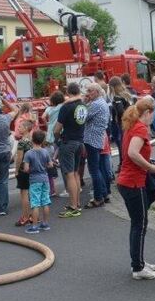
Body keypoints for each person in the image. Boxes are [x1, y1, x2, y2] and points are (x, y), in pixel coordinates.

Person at [116, 96, 155, 280]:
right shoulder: (141, 128)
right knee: (140, 225)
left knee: (137, 224)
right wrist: (150, 168)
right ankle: (138, 268)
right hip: (134, 183)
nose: (154, 117)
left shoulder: (132, 125)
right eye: (154, 114)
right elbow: (132, 153)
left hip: (127, 181)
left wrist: (150, 163)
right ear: (148, 113)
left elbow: (133, 154)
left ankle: (139, 261)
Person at [54, 82, 87, 218]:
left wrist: (57, 139)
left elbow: (57, 129)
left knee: (69, 174)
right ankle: (77, 203)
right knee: (76, 174)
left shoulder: (66, 107)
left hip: (68, 142)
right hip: (80, 141)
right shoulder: (83, 105)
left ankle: (73, 207)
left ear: (68, 92)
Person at [82, 83, 110, 209]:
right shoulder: (102, 103)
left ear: (97, 92)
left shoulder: (96, 104)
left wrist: (83, 102)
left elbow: (83, 117)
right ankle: (104, 194)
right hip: (98, 138)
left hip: (92, 139)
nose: (88, 93)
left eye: (90, 91)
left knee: (94, 170)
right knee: (98, 168)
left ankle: (98, 198)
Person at [23, 129, 53, 234]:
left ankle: (34, 226)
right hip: (45, 178)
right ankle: (45, 223)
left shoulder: (28, 153)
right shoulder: (45, 151)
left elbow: (26, 169)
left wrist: (32, 169)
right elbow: (50, 165)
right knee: (45, 201)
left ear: (32, 139)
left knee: (35, 203)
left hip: (34, 179)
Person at [43, 90, 65, 196]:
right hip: (60, 128)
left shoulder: (48, 109)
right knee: (59, 147)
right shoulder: (62, 107)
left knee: (50, 151)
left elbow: (43, 117)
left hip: (51, 130)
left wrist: (47, 124)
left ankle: (53, 162)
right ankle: (55, 160)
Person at [109, 76, 132, 172]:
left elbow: (120, 111)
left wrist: (115, 115)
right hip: (129, 121)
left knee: (123, 144)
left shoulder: (117, 97)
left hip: (122, 123)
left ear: (112, 87)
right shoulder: (127, 94)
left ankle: (124, 165)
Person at [14, 120, 34, 227]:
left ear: (26, 128)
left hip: (23, 169)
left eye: (20, 126)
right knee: (32, 193)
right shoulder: (32, 140)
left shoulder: (22, 142)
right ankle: (32, 215)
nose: (18, 128)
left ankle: (25, 217)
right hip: (32, 168)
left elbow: (19, 157)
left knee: (24, 193)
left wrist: (16, 170)